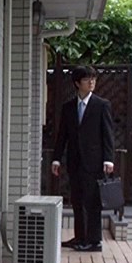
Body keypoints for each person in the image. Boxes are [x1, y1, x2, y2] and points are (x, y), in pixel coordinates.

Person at [52, 65, 115, 252]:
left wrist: (109, 159)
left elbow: (108, 134)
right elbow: (62, 135)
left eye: (93, 78)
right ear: (77, 83)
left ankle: (94, 241)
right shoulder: (68, 107)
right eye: (87, 79)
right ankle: (80, 237)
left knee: (92, 201)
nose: (91, 82)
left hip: (94, 162)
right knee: (77, 200)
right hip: (74, 161)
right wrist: (56, 159)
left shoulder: (102, 105)